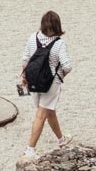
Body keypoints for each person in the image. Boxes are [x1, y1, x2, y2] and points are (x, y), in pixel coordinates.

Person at [17, 9, 74, 155]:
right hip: (51, 82)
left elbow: (25, 59)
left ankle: (61, 139)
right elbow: (67, 65)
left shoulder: (32, 37)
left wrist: (23, 77)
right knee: (41, 114)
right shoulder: (59, 44)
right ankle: (30, 149)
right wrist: (60, 75)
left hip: (33, 80)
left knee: (49, 111)